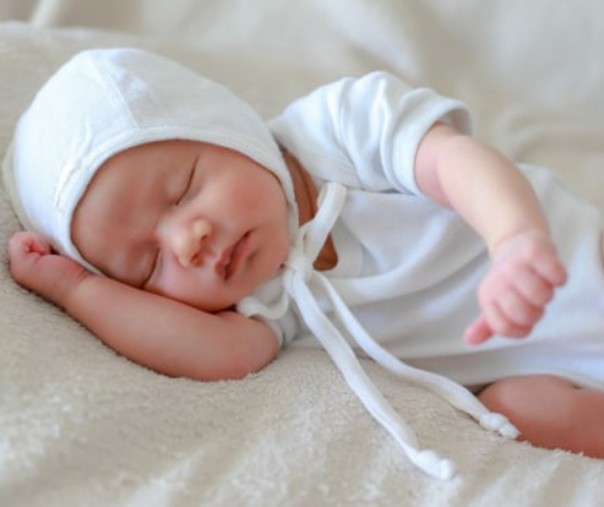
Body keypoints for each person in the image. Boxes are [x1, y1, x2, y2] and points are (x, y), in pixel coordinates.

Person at [3, 48, 604, 479]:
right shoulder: (269, 299)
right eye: (147, 264)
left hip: (565, 258)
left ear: (226, 127)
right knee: (520, 409)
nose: (189, 241)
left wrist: (512, 237)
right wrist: (78, 290)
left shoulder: (338, 129)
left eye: (185, 188)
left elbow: (454, 161)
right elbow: (221, 355)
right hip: (562, 366)